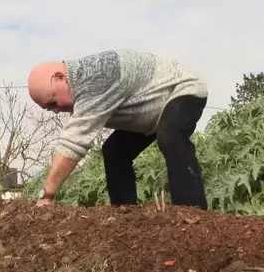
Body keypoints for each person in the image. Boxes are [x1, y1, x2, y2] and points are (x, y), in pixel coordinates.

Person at [27, 49, 208, 210]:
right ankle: (125, 214)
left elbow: (74, 141)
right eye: (50, 108)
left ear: (60, 77)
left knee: (170, 137)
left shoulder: (96, 75)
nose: (56, 110)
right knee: (114, 150)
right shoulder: (83, 85)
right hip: (151, 111)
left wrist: (47, 194)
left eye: (53, 102)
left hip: (184, 88)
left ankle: (192, 212)